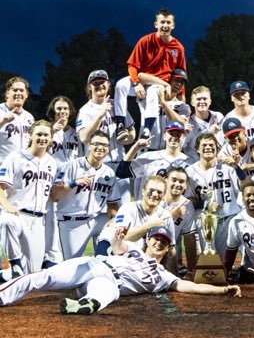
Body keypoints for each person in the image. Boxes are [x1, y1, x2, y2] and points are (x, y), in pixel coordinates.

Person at [0, 226, 241, 315]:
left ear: (168, 250)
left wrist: (222, 290)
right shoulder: (134, 248)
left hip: (110, 283)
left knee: (105, 294)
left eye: (163, 242)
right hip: (95, 265)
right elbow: (117, 247)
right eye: (155, 239)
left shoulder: (164, 276)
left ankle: (85, 304)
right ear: (148, 241)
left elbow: (193, 286)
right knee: (44, 277)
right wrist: (117, 237)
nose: (158, 243)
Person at [114, 9, 186, 141]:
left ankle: (147, 129)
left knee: (153, 92)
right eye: (162, 22)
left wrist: (182, 94)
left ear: (173, 25)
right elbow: (132, 65)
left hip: (160, 83)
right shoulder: (145, 41)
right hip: (142, 79)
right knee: (120, 85)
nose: (165, 25)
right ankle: (120, 125)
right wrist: (135, 83)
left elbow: (181, 72)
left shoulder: (178, 47)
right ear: (156, 24)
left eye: (168, 22)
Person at [0, 120, 57, 278]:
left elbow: (53, 194)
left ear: (51, 138)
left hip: (37, 220)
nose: (42, 138)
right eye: (39, 134)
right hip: (16, 213)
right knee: (6, 222)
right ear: (30, 135)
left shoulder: (52, 163)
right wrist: (6, 206)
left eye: (46, 134)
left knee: (33, 273)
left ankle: (4, 274)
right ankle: (15, 263)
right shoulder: (16, 157)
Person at [50, 131, 120, 260]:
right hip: (72, 222)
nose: (100, 147)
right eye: (96, 144)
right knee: (71, 265)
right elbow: (54, 195)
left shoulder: (109, 173)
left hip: (97, 219)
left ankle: (103, 261)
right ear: (89, 146)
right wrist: (73, 183)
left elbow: (112, 202)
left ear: (108, 149)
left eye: (104, 145)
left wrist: (114, 218)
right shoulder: (71, 166)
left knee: (117, 228)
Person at [76, 70, 135, 205]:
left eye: (102, 82)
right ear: (89, 87)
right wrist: (100, 115)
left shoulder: (117, 105)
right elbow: (84, 138)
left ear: (108, 84)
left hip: (121, 162)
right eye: (95, 83)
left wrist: (127, 139)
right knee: (100, 209)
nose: (99, 85)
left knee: (124, 209)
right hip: (99, 166)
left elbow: (132, 130)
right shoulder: (85, 110)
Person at [185, 133, 243, 255]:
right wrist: (206, 204)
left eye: (211, 145)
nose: (208, 147)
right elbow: (188, 199)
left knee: (224, 260)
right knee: (209, 256)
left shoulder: (227, 167)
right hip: (204, 221)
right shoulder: (189, 172)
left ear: (217, 148)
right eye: (204, 145)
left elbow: (243, 186)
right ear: (197, 149)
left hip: (228, 218)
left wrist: (237, 167)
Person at [43, 95, 81, 268]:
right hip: (51, 178)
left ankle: (67, 255)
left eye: (65, 108)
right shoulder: (46, 130)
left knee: (67, 217)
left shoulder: (76, 133)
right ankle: (50, 256)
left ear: (70, 111)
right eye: (58, 109)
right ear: (53, 111)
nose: (62, 112)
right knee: (50, 217)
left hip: (71, 179)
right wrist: (52, 131)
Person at [116, 120, 191, 200]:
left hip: (176, 209)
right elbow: (121, 173)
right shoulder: (148, 157)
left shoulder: (190, 163)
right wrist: (135, 148)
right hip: (150, 208)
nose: (174, 137)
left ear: (183, 137)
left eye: (178, 134)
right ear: (164, 136)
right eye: (171, 134)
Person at [163, 167, 197, 278]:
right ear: (165, 180)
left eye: (181, 182)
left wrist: (191, 271)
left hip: (167, 252)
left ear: (186, 185)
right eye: (174, 180)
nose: (177, 184)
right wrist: (171, 216)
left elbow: (189, 238)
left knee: (174, 280)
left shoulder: (187, 205)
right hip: (145, 248)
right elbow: (147, 231)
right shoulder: (156, 197)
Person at [183, 86, 224, 161]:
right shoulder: (188, 122)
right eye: (198, 99)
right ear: (192, 102)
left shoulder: (218, 116)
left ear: (210, 101)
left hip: (217, 162)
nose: (202, 102)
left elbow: (224, 142)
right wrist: (185, 134)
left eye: (205, 99)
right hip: (195, 164)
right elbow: (182, 147)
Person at [0, 76, 34, 165]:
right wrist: (2, 120)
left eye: (21, 90)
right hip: (2, 166)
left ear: (26, 95)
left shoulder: (30, 117)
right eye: (15, 90)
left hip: (23, 167)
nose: (18, 93)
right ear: (7, 93)